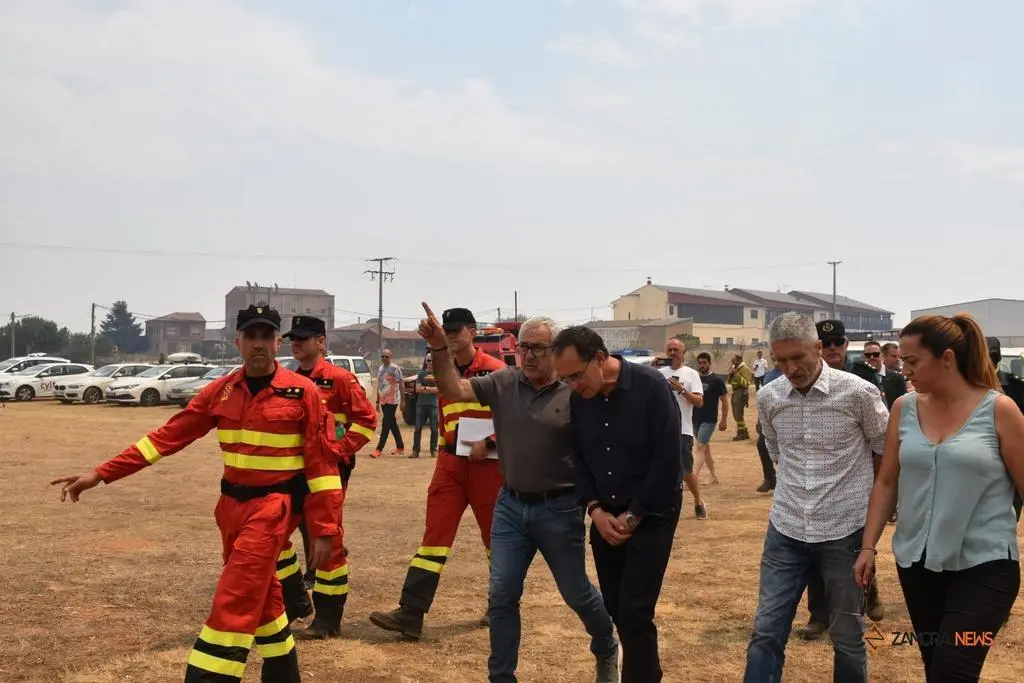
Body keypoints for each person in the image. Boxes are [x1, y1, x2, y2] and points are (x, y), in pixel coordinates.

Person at [50, 305, 342, 683]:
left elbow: (323, 467)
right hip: (230, 510)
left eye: (266, 337)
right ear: (237, 341)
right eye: (250, 336)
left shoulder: (303, 393)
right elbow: (166, 438)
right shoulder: (220, 392)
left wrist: (324, 529)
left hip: (273, 509)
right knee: (265, 598)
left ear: (277, 342)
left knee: (234, 598)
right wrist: (101, 473)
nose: (259, 344)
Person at [413, 311, 618, 682]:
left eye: (538, 348)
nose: (529, 355)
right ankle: (501, 676)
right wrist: (438, 347)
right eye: (524, 347)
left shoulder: (574, 392)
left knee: (576, 593)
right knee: (502, 594)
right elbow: (453, 389)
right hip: (511, 506)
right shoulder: (503, 382)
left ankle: (605, 645)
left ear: (555, 350)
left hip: (560, 508)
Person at [855, 314, 1024, 682]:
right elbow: (886, 483)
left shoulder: (1000, 410)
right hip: (917, 564)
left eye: (912, 361)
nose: (904, 369)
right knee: (937, 667)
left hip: (985, 567)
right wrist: (868, 547)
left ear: (946, 358)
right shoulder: (904, 408)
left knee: (954, 671)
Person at [743, 312, 888, 683]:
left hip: (845, 533)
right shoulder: (769, 396)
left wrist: (871, 516)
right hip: (786, 531)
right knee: (766, 631)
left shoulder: (858, 393)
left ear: (818, 348)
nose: (791, 368)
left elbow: (885, 451)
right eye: (781, 360)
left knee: (848, 637)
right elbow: (777, 453)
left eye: (798, 358)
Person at [553, 325, 682, 683]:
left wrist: (633, 515)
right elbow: (577, 459)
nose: (572, 385)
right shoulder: (581, 399)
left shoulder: (651, 387)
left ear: (599, 357)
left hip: (652, 513)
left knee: (636, 609)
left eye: (576, 375)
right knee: (616, 608)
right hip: (605, 516)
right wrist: (595, 510)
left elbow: (668, 460)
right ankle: (648, 672)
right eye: (564, 380)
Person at [370, 306, 505, 640]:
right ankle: (411, 613)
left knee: (496, 541)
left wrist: (488, 441)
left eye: (457, 331)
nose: (452, 337)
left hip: (488, 465)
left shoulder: (496, 370)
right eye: (447, 332)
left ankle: (501, 606)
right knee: (434, 541)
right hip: (450, 464)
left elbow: (515, 416)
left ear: (472, 332)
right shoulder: (440, 368)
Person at [277, 315, 378, 639]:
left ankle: (328, 620)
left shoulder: (340, 379)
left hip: (328, 475)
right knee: (274, 537)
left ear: (321, 342)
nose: (297, 343)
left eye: (304, 338)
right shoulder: (285, 380)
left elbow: (366, 421)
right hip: (292, 473)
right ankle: (295, 601)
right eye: (293, 338)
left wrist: (340, 449)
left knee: (329, 545)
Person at [797, 320, 886, 640]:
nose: (833, 348)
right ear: (817, 347)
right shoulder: (803, 378)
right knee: (814, 553)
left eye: (838, 342)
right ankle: (819, 615)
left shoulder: (864, 377)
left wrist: (878, 483)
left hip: (855, 482)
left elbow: (881, 438)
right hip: (815, 486)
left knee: (858, 550)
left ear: (846, 345)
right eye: (827, 342)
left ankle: (868, 596)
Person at [658, 338, 708, 519]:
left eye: (676, 350)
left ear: (683, 353)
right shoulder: (659, 373)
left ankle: (697, 500)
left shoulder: (691, 374)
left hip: (682, 429)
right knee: (660, 469)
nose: (672, 353)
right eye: (669, 350)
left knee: (685, 470)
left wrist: (682, 390)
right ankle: (666, 505)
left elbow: (700, 402)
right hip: (660, 430)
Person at [692, 352, 728, 486]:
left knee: (700, 446)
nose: (702, 365)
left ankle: (693, 477)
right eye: (700, 363)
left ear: (709, 363)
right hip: (695, 418)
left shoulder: (717, 380)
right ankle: (713, 476)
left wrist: (724, 420)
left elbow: (724, 401)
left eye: (704, 362)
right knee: (705, 448)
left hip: (709, 419)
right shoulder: (694, 378)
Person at [753, 355, 782, 494]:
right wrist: (759, 420)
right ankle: (770, 478)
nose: (774, 356)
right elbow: (763, 401)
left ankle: (785, 479)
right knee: (762, 445)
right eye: (773, 353)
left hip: (784, 418)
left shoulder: (790, 373)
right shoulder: (769, 375)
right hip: (769, 419)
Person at [372, 348, 405, 457]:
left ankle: (379, 449)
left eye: (387, 356)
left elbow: (401, 384)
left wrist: (403, 401)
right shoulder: (380, 368)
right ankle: (400, 446)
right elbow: (379, 385)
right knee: (392, 423)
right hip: (383, 400)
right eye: (383, 356)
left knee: (386, 423)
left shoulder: (395, 369)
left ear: (391, 357)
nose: (384, 358)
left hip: (392, 400)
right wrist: (377, 401)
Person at [411, 355, 439, 458]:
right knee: (417, 428)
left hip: (433, 405)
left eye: (432, 360)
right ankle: (415, 451)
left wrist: (425, 388)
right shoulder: (421, 374)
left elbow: (439, 390)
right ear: (426, 361)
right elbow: (417, 389)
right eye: (428, 360)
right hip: (421, 405)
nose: (430, 362)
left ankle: (433, 450)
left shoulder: (438, 374)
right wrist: (431, 389)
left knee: (434, 429)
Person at [728, 354, 752, 440]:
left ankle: (741, 433)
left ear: (739, 360)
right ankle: (744, 432)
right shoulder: (736, 368)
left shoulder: (745, 369)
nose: (732, 362)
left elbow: (745, 383)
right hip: (735, 392)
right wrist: (731, 374)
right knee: (736, 414)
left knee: (738, 414)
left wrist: (736, 374)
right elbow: (730, 382)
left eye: (734, 360)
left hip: (741, 392)